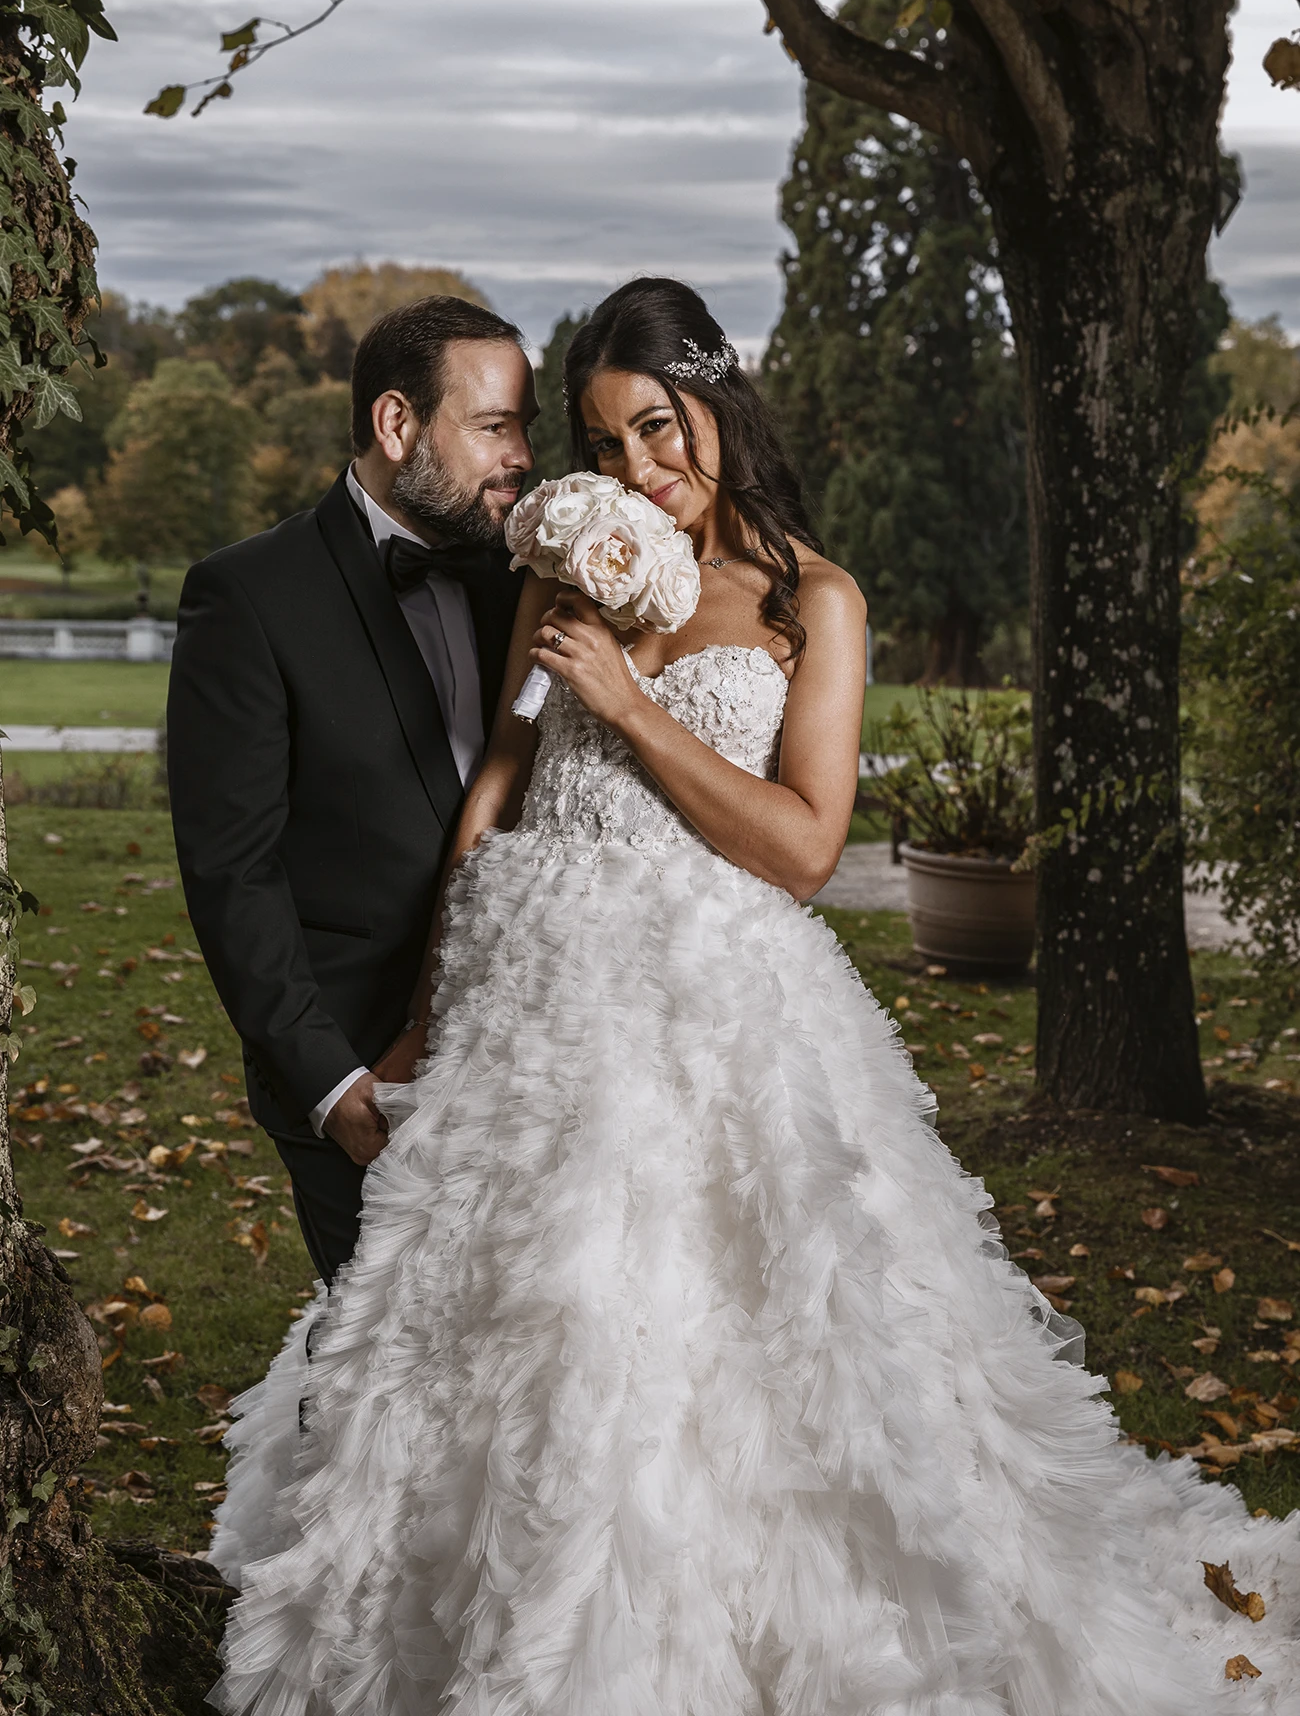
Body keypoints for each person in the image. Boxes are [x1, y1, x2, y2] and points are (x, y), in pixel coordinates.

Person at [206, 278, 1298, 1714]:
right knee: (498, 1346)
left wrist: (634, 705)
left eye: (658, 429)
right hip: (528, 1013)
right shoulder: (579, 563)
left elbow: (802, 846)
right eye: (603, 445)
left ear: (714, 402)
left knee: (708, 1335)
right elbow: (492, 797)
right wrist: (425, 1015)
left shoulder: (815, 602)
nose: (639, 472)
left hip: (707, 1016)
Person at [167, 295, 535, 1284]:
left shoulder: (526, 577)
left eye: (525, 424)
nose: (523, 453)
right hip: (361, 1070)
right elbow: (230, 870)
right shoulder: (248, 597)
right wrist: (332, 1087)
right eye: (495, 424)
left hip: (534, 1044)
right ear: (395, 423)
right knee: (385, 1368)